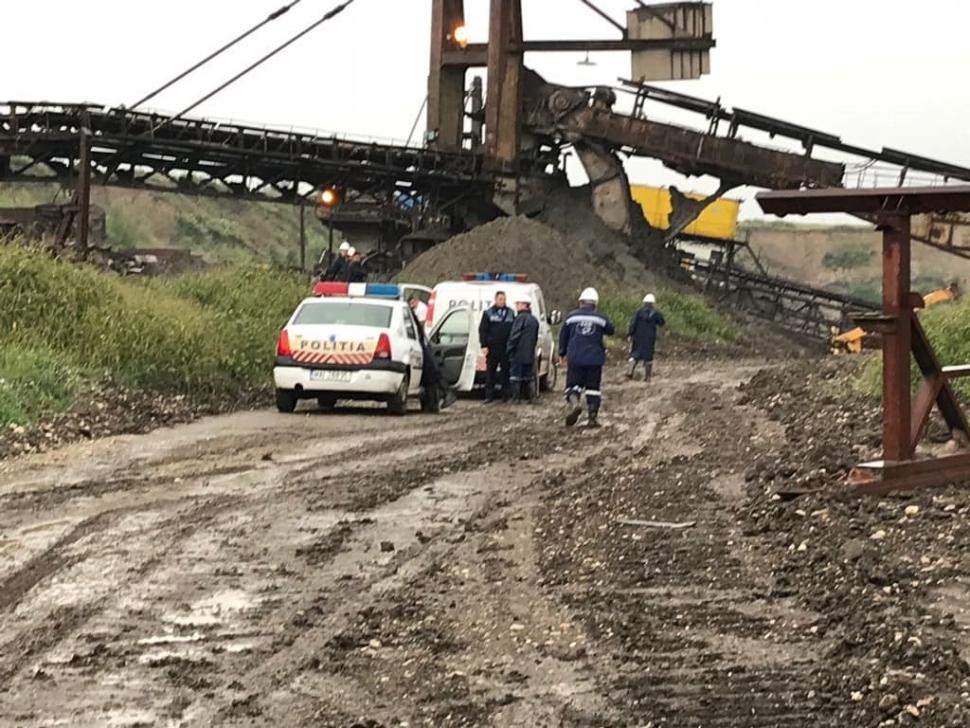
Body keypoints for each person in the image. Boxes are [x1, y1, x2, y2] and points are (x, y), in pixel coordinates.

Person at [558, 287, 614, 428]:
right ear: (595, 303)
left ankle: (575, 404)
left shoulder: (571, 317)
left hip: (575, 357)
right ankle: (592, 419)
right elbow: (611, 330)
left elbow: (563, 336)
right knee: (593, 389)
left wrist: (562, 353)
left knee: (573, 386)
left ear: (580, 302)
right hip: (594, 359)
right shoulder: (600, 318)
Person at [478, 291, 515, 403]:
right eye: (500, 299)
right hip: (492, 348)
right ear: (495, 300)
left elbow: (514, 330)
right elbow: (483, 330)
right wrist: (484, 345)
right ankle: (489, 396)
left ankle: (506, 395)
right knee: (490, 372)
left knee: (505, 372)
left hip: (505, 348)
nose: (502, 301)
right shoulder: (488, 313)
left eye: (504, 299)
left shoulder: (510, 313)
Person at [506, 296, 540, 404]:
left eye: (518, 303)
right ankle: (532, 397)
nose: (516, 306)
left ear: (524, 305)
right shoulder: (534, 320)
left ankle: (516, 398)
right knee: (529, 376)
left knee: (515, 376)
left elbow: (514, 336)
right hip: (530, 352)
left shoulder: (520, 319)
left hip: (518, 352)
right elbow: (535, 337)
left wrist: (509, 349)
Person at [627, 293, 665, 381]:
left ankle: (630, 372)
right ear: (653, 303)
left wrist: (630, 334)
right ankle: (648, 377)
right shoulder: (656, 313)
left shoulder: (638, 312)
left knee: (635, 354)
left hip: (638, 337)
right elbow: (662, 322)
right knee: (648, 357)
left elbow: (633, 324)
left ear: (644, 302)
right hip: (650, 338)